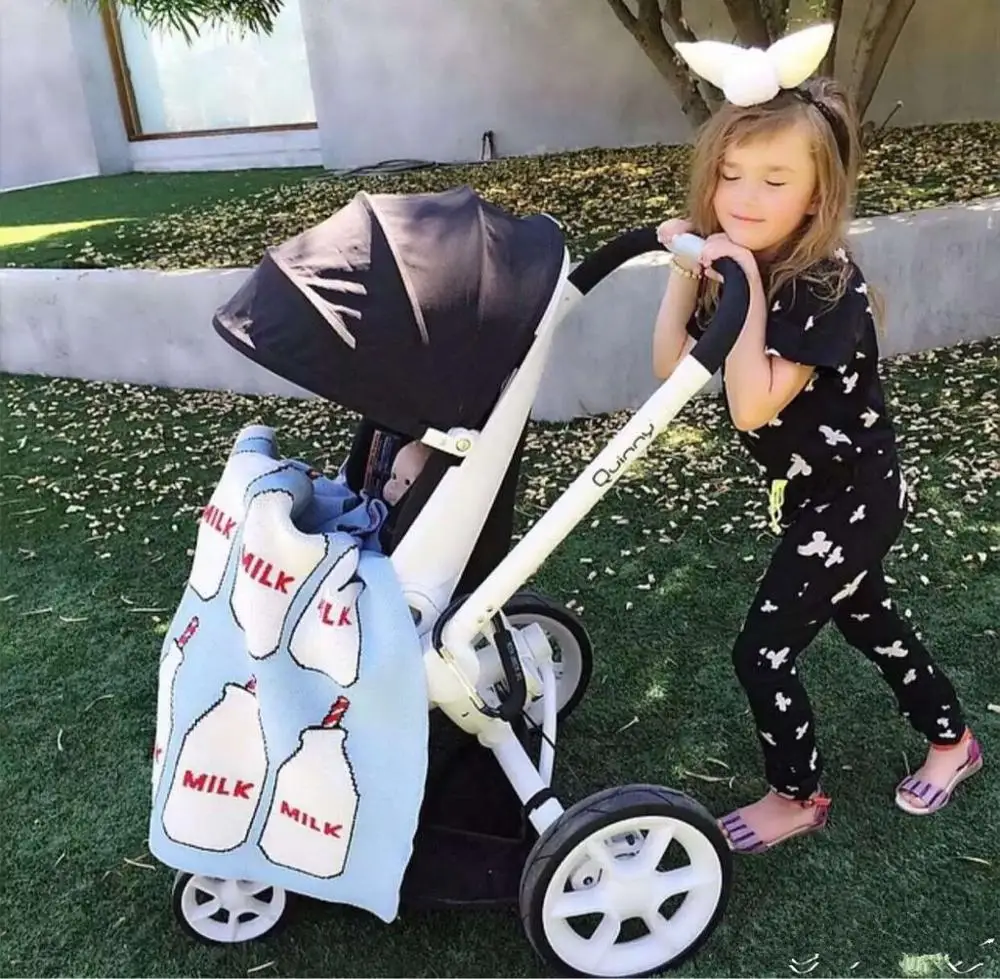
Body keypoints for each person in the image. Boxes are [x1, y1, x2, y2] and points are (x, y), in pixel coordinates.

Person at [651, 24, 982, 852]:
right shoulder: (741, 264)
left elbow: (751, 404)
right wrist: (686, 272)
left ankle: (796, 796)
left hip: (856, 495)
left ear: (815, 195)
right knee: (868, 617)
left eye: (774, 179)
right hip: (810, 493)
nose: (744, 196)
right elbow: (672, 369)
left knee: (761, 650)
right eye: (730, 174)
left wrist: (739, 283)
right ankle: (953, 739)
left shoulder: (823, 286)